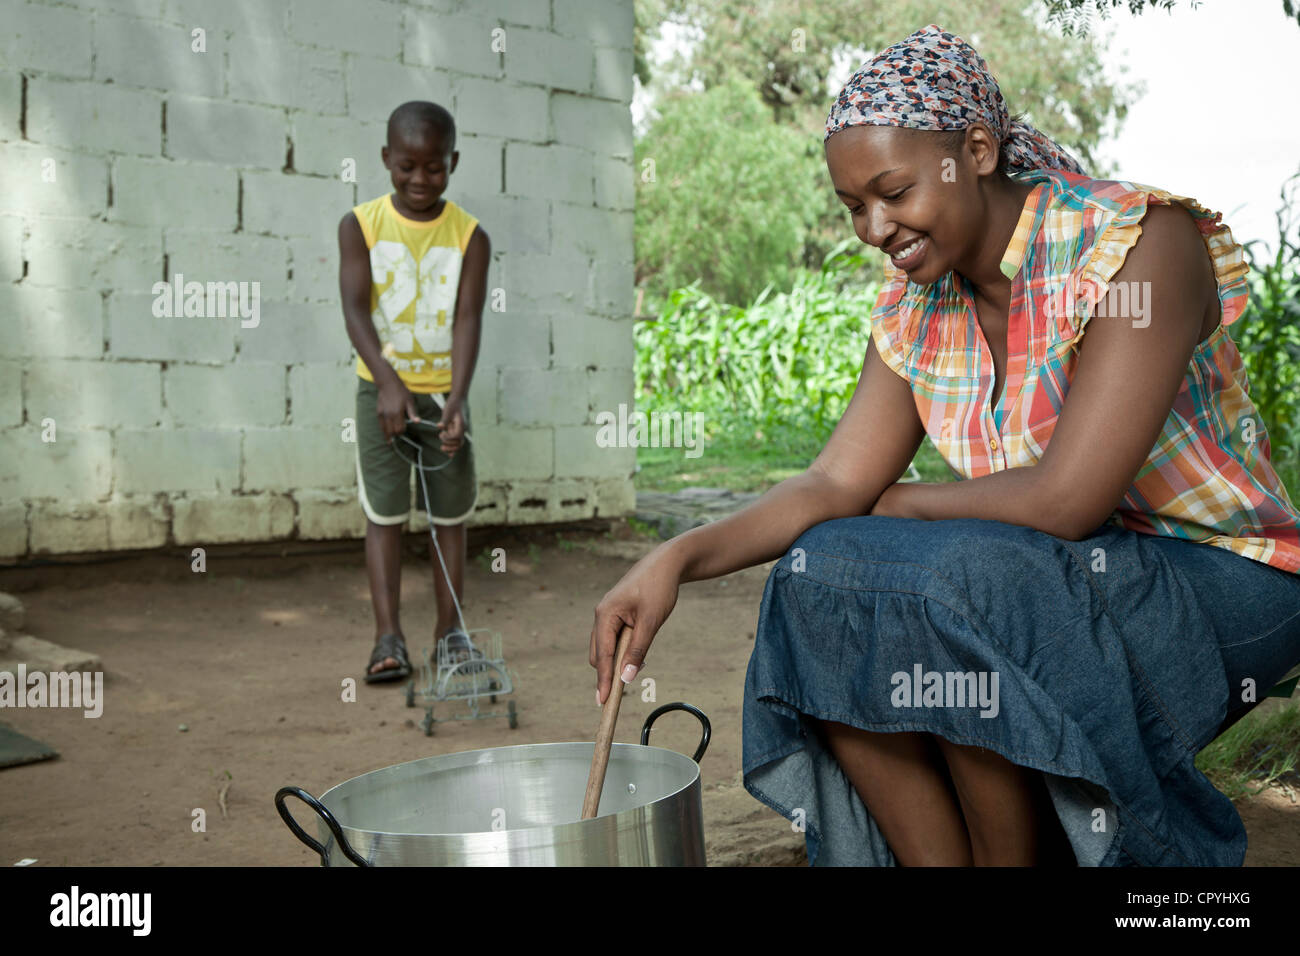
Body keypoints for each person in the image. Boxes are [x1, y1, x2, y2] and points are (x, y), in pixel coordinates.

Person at [589, 24, 1300, 866]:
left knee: (952, 582)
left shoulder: (1136, 247)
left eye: (892, 191)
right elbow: (831, 482)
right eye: (855, 207)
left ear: (976, 149)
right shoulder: (917, 306)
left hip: (1223, 574)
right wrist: (676, 556)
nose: (873, 228)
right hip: (1046, 580)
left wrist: (901, 503)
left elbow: (1067, 501)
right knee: (821, 576)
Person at [339, 101, 491, 683]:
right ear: (385, 159)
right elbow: (355, 310)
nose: (420, 180)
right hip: (381, 394)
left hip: (445, 395)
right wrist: (387, 384)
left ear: (452, 162)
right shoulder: (361, 224)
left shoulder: (470, 236)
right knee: (385, 514)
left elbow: (468, 320)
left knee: (449, 517)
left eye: (434, 167)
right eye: (407, 166)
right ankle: (388, 638)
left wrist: (456, 402)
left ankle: (450, 636)